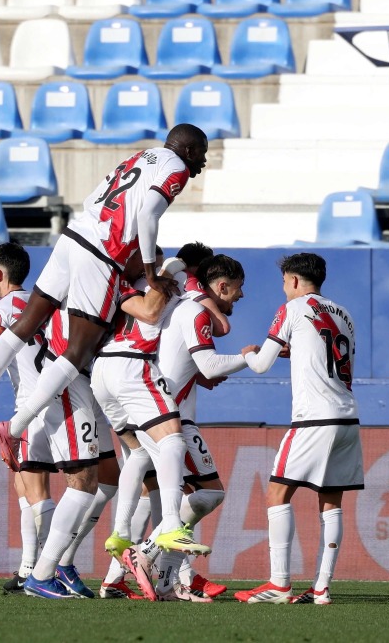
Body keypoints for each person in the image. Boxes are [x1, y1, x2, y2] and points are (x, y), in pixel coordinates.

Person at [0, 124, 209, 559]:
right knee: (77, 351)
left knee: (26, 323)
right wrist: (150, 271)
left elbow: (99, 202)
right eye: (200, 154)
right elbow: (146, 216)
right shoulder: (175, 170)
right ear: (186, 150)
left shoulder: (141, 156)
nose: (200, 164)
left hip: (73, 236)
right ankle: (14, 429)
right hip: (100, 256)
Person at [0, 242, 101, 599]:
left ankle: (46, 570)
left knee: (37, 490)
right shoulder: (45, 305)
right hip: (62, 393)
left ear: (0, 274)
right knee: (31, 489)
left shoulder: (1, 309)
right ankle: (31, 568)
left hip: (36, 404)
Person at [235, 253, 361, 606]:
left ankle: (279, 584)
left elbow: (260, 364)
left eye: (284, 282)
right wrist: (294, 353)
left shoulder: (290, 308)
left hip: (313, 418)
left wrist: (247, 354)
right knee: (331, 503)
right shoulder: (344, 314)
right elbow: (329, 355)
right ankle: (322, 588)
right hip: (347, 416)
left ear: (292, 280)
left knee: (277, 494)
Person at [132, 253, 250, 601]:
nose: (241, 297)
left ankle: (168, 579)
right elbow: (211, 365)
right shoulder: (194, 310)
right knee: (209, 493)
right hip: (171, 420)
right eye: (238, 289)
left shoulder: (177, 308)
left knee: (173, 496)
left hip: (159, 413)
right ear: (223, 286)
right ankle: (145, 551)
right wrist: (253, 357)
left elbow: (185, 364)